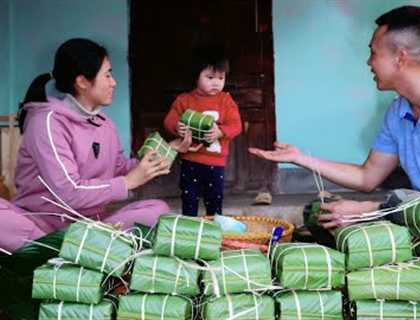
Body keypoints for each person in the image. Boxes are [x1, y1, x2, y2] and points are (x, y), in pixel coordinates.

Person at [250, 6, 420, 235]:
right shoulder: (398, 111)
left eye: (373, 53)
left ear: (400, 57)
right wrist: (300, 158)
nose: (369, 62)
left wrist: (372, 210)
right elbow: (367, 176)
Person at [1, 38, 193, 252]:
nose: (114, 82)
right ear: (82, 82)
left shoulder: (104, 124)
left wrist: (167, 152)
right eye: (108, 75)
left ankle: (71, 248)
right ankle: (67, 247)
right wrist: (127, 182)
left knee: (157, 211)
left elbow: (118, 169)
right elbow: (68, 192)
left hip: (90, 224)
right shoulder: (47, 122)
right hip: (40, 225)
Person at [164, 45, 242, 216]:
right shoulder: (184, 100)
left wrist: (221, 132)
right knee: (189, 199)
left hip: (216, 164)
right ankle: (190, 233)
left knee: (214, 201)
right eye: (210, 77)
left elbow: (236, 125)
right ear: (196, 76)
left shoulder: (226, 101)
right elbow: (169, 120)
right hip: (190, 161)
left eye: (221, 78)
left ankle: (213, 234)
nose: (216, 82)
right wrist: (177, 126)